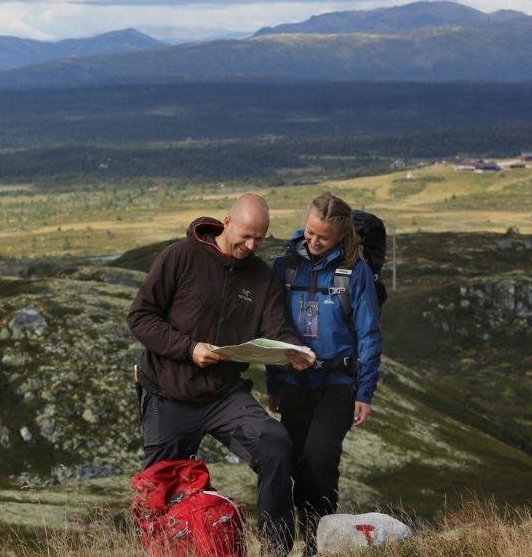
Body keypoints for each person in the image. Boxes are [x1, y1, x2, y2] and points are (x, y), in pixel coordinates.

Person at [127, 193, 316, 556]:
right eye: (245, 235)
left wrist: (293, 350)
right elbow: (140, 317)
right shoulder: (180, 257)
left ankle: (276, 551)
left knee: (276, 446)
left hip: (225, 396)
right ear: (226, 221)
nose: (250, 245)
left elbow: (277, 327)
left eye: (259, 239)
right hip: (170, 392)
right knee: (157, 490)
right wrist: (189, 349)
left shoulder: (261, 277)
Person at [266, 192, 382, 557]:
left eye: (324, 238)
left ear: (340, 236)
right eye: (310, 233)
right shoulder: (284, 267)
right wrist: (273, 383)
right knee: (295, 461)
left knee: (319, 460)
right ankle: (293, 543)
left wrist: (364, 393)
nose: (314, 242)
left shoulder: (356, 273)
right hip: (294, 384)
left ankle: (318, 546)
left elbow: (368, 334)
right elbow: (274, 328)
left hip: (338, 385)